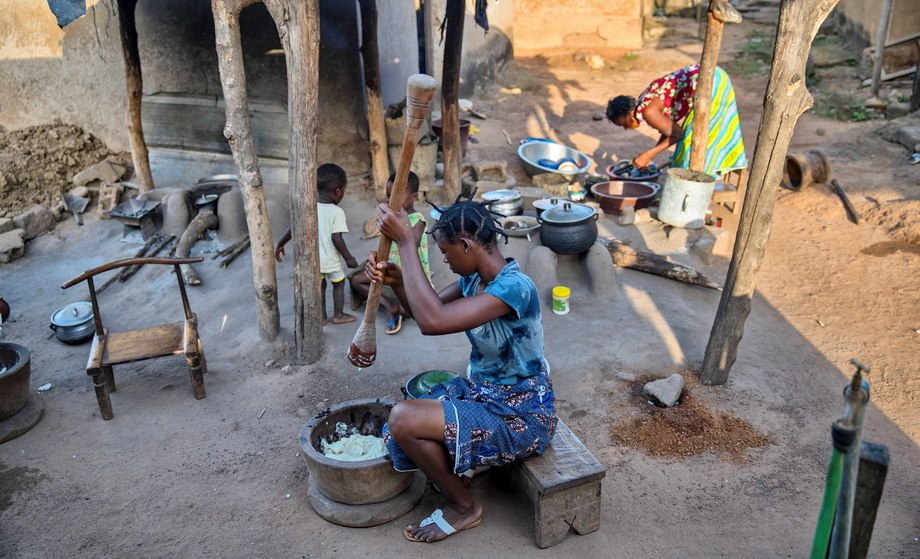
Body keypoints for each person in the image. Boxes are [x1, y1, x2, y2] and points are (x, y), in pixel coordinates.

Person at [365, 196, 557, 543]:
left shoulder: (515, 288)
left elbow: (432, 321)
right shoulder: (474, 281)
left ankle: (465, 507)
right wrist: (396, 281)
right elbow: (427, 308)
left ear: (466, 245)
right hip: (485, 396)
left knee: (403, 419)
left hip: (520, 414)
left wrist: (408, 243)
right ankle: (457, 477)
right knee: (415, 405)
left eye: (446, 252)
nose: (444, 259)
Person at [606, 64, 747, 177]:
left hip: (712, 83)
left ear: (630, 113)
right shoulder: (644, 103)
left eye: (625, 124)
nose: (627, 128)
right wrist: (651, 154)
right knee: (688, 143)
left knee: (693, 142)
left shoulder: (648, 112)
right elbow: (667, 129)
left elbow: (677, 134)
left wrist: (649, 154)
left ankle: (701, 181)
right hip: (711, 75)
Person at [275, 163, 358, 325]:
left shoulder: (309, 207)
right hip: (331, 261)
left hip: (313, 261)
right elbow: (337, 238)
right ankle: (338, 315)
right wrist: (348, 257)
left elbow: (293, 227)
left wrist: (280, 243)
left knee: (320, 286)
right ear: (337, 191)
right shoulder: (337, 212)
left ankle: (321, 318)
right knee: (339, 284)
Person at [348, 171, 430, 335]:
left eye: (396, 197)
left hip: (407, 277)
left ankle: (399, 308)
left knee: (411, 310)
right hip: (389, 270)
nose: (390, 202)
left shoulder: (418, 220)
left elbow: (410, 245)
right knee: (356, 280)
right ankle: (388, 305)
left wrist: (399, 229)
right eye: (388, 197)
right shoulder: (391, 219)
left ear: (414, 197)